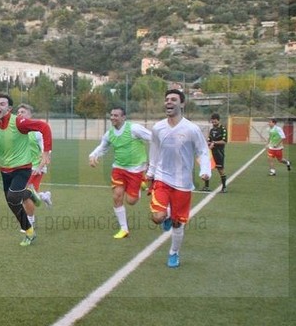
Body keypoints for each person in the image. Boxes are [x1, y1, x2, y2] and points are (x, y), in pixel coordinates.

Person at [0, 94, 52, 246]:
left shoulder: (19, 122)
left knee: (13, 197)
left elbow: (44, 127)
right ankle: (29, 231)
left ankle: (28, 195)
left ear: (9, 109)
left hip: (22, 168)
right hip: (5, 170)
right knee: (12, 203)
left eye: (2, 104)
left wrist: (46, 152)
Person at [147, 89, 211, 269]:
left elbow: (203, 151)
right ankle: (165, 214)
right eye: (167, 99)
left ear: (182, 104)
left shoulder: (192, 129)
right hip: (162, 178)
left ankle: (173, 253)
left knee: (177, 224)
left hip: (183, 183)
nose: (169, 102)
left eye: (173, 99)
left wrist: (205, 170)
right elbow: (154, 152)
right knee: (157, 217)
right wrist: (150, 174)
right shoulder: (158, 128)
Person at [89, 106, 151, 239]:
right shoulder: (109, 134)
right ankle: (124, 229)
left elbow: (152, 138)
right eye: (111, 115)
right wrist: (93, 156)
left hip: (136, 169)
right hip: (118, 168)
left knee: (131, 201)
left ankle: (141, 182)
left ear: (123, 117)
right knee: (117, 196)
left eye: (116, 115)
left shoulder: (134, 128)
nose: (112, 117)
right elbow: (103, 147)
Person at [16, 104, 53, 232]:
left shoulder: (37, 132)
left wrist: (40, 166)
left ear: (30, 115)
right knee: (29, 194)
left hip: (36, 167)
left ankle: (29, 224)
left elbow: (46, 151)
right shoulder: (19, 131)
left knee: (25, 194)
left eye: (23, 112)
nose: (20, 114)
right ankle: (44, 196)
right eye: (18, 112)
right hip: (23, 167)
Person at [203, 112, 228, 192]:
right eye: (212, 122)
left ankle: (224, 187)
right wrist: (208, 143)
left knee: (220, 169)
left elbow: (224, 141)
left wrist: (214, 143)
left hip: (219, 153)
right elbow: (209, 139)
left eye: (215, 121)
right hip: (211, 153)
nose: (213, 123)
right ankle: (206, 186)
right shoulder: (212, 130)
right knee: (207, 169)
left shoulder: (223, 129)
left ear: (218, 120)